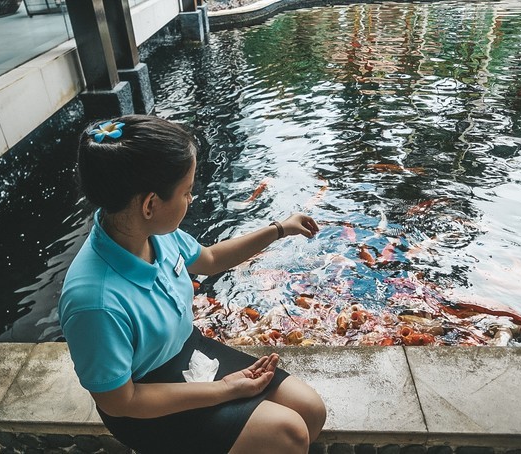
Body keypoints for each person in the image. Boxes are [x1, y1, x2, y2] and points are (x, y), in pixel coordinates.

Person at [58, 115, 327, 454]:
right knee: (288, 434)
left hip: (187, 351)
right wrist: (225, 390)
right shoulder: (93, 301)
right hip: (145, 401)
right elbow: (120, 401)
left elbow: (210, 259)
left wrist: (279, 229)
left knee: (310, 410)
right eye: (186, 192)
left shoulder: (156, 234)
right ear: (150, 204)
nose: (192, 200)